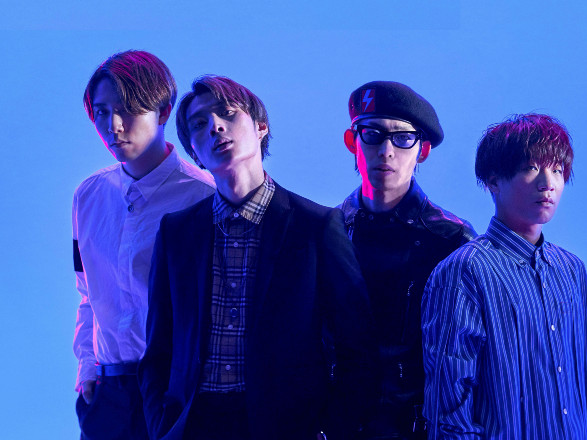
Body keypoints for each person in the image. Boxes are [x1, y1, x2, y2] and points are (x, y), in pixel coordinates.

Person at [138, 75, 375, 440]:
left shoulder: (316, 226)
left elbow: (357, 348)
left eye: (227, 113)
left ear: (261, 126)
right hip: (194, 426)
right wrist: (162, 427)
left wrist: (329, 431)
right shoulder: (177, 233)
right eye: (199, 124)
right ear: (194, 153)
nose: (215, 126)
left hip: (284, 428)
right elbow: (158, 351)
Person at [422, 113, 587, 439]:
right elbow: (448, 408)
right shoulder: (465, 271)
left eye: (557, 170)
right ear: (493, 181)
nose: (548, 183)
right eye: (531, 168)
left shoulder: (572, 271)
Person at [72, 50, 215, 439]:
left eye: (127, 110)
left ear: (164, 111)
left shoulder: (203, 196)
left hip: (173, 388)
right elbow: (87, 293)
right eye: (102, 112)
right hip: (107, 393)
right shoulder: (88, 196)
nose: (113, 126)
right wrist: (87, 368)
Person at [339, 81, 476, 439]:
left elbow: (468, 358)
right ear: (353, 141)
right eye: (373, 135)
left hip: (416, 428)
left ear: (422, 150)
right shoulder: (329, 229)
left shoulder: (451, 239)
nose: (386, 151)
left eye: (402, 138)